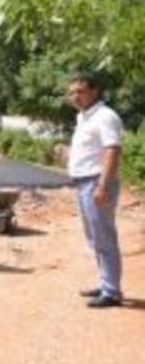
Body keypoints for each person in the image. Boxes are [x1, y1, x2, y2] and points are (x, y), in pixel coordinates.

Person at [66, 72, 124, 308]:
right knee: (94, 237)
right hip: (83, 182)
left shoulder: (105, 116)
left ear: (94, 91)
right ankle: (105, 283)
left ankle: (112, 291)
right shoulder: (84, 118)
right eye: (71, 92)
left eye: (80, 91)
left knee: (104, 237)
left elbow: (113, 150)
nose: (75, 96)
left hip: (96, 182)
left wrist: (102, 185)